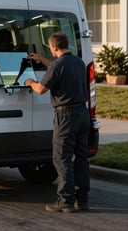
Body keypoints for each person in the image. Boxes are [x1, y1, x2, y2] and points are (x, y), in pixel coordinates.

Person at [24, 31, 90, 213]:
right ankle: (82, 199)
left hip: (66, 116)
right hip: (83, 114)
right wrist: (41, 59)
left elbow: (41, 89)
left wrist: (29, 82)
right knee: (81, 157)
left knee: (62, 158)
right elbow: (58, 67)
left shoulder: (57, 66)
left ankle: (65, 200)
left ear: (53, 46)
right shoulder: (78, 62)